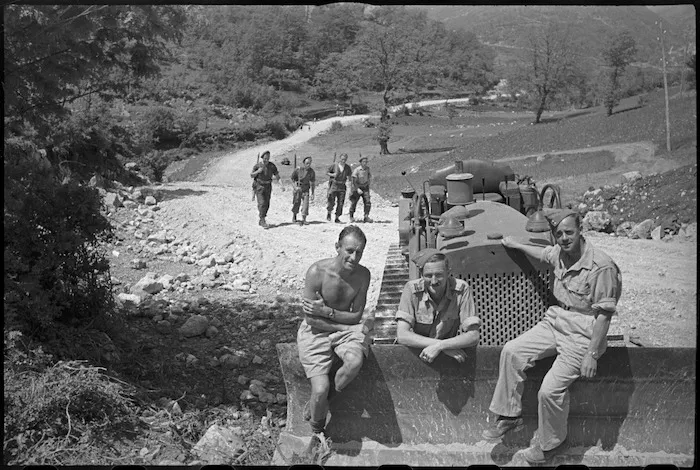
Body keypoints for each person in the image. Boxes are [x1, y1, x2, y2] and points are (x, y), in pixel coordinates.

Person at [482, 209, 622, 464]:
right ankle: (509, 416)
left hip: (583, 331)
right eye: (559, 234)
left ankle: (551, 444)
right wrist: (514, 244)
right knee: (512, 351)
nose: (565, 238)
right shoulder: (560, 252)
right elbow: (543, 254)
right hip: (556, 320)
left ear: (581, 231)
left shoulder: (601, 266)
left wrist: (592, 354)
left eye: (569, 232)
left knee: (549, 391)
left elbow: (603, 315)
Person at [297, 225, 374, 446]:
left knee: (354, 362)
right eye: (349, 250)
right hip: (316, 331)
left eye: (359, 252)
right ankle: (317, 428)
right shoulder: (316, 272)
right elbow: (311, 319)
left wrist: (327, 312)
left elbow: (356, 315)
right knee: (318, 388)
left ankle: (323, 401)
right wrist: (342, 326)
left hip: (342, 329)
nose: (354, 257)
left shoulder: (363, 275)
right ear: (337, 247)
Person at [395, 249, 480, 363]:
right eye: (428, 276)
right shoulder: (411, 289)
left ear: (448, 273)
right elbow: (402, 335)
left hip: (448, 358)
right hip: (416, 354)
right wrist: (442, 346)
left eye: (439, 275)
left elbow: (473, 335)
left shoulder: (461, 289)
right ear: (421, 274)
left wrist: (440, 347)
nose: (434, 281)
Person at [250, 150, 280, 228]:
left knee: (267, 204)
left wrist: (281, 185)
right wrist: (258, 171)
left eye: (268, 158)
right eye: (265, 158)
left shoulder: (272, 166)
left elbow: (277, 175)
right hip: (259, 186)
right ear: (262, 158)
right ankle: (262, 219)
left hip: (268, 186)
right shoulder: (258, 166)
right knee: (262, 203)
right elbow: (251, 175)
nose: (266, 160)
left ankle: (262, 218)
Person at [326, 153, 352, 224]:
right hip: (334, 184)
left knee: (340, 203)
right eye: (342, 159)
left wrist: (350, 186)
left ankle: (337, 217)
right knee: (331, 200)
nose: (343, 161)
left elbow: (349, 177)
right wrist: (332, 174)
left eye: (345, 159)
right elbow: (327, 172)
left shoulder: (347, 167)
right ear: (340, 158)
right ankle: (329, 212)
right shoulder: (334, 165)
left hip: (342, 186)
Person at [291, 156, 316, 226]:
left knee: (306, 204)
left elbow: (313, 183)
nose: (308, 165)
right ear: (304, 163)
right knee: (296, 202)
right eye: (307, 163)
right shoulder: (298, 170)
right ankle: (294, 216)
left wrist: (313, 193)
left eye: (309, 163)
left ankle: (304, 219)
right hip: (298, 189)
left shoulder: (311, 172)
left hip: (306, 189)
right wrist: (295, 187)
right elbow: (292, 179)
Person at [348, 156, 373, 223]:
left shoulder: (367, 169)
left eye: (366, 162)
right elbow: (354, 180)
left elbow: (369, 177)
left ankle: (366, 216)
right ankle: (351, 216)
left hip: (365, 187)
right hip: (357, 187)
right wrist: (357, 189)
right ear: (361, 162)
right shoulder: (357, 170)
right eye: (364, 162)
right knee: (354, 202)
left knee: (367, 202)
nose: (365, 163)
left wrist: (368, 184)